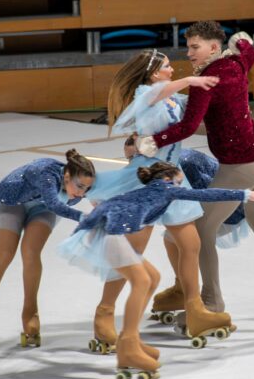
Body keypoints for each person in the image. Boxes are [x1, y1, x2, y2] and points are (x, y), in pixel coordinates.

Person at [136, 21, 254, 331]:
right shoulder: (236, 62)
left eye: (195, 47)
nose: (188, 53)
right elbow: (248, 51)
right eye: (188, 46)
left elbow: (189, 127)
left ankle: (211, 303)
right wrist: (241, 41)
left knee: (202, 228)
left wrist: (152, 142)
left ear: (213, 48)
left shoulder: (207, 79)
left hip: (241, 166)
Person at [58, 161, 254, 379]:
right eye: (179, 177)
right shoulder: (165, 188)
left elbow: (112, 204)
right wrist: (245, 195)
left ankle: (130, 340)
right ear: (168, 178)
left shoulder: (155, 188)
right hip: (110, 234)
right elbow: (203, 195)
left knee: (153, 278)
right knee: (141, 282)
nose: (182, 181)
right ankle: (128, 346)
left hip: (111, 231)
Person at [85, 49, 233, 355]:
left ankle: (195, 309)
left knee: (190, 244)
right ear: (154, 73)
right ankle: (104, 312)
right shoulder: (146, 93)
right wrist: (191, 78)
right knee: (132, 251)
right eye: (167, 66)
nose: (172, 69)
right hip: (145, 180)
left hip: (173, 177)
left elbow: (191, 107)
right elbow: (158, 93)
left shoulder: (168, 97)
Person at [0, 150, 95, 351]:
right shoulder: (46, 173)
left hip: (43, 208)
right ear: (67, 176)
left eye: (86, 189)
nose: (81, 194)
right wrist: (86, 217)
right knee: (5, 253)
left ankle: (30, 312)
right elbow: (55, 203)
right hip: (14, 200)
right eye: (79, 187)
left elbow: (101, 189)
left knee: (30, 252)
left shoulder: (76, 184)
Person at [149, 147, 250, 325]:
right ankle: (183, 290)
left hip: (228, 207)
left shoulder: (184, 165)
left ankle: (207, 300)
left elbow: (207, 194)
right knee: (171, 238)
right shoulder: (172, 161)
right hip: (217, 200)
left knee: (188, 239)